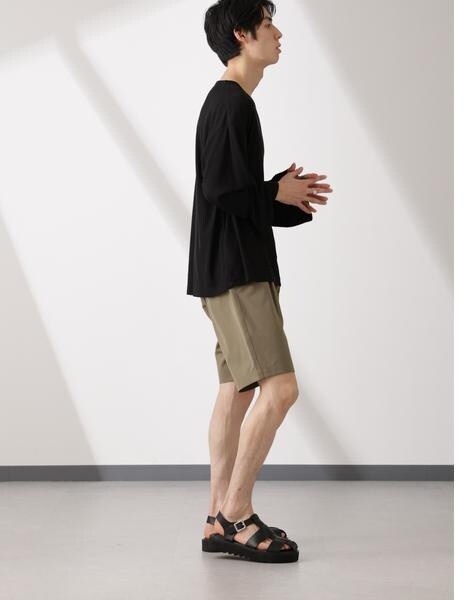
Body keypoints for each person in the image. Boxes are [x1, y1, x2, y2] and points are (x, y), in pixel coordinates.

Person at [186, 0, 333, 563]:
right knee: (281, 388)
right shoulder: (230, 103)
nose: (278, 32)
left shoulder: (231, 102)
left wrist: (284, 196)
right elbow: (225, 191)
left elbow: (232, 192)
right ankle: (236, 515)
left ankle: (215, 518)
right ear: (242, 34)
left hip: (226, 266)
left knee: (238, 388)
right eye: (268, 23)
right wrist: (275, 192)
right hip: (238, 271)